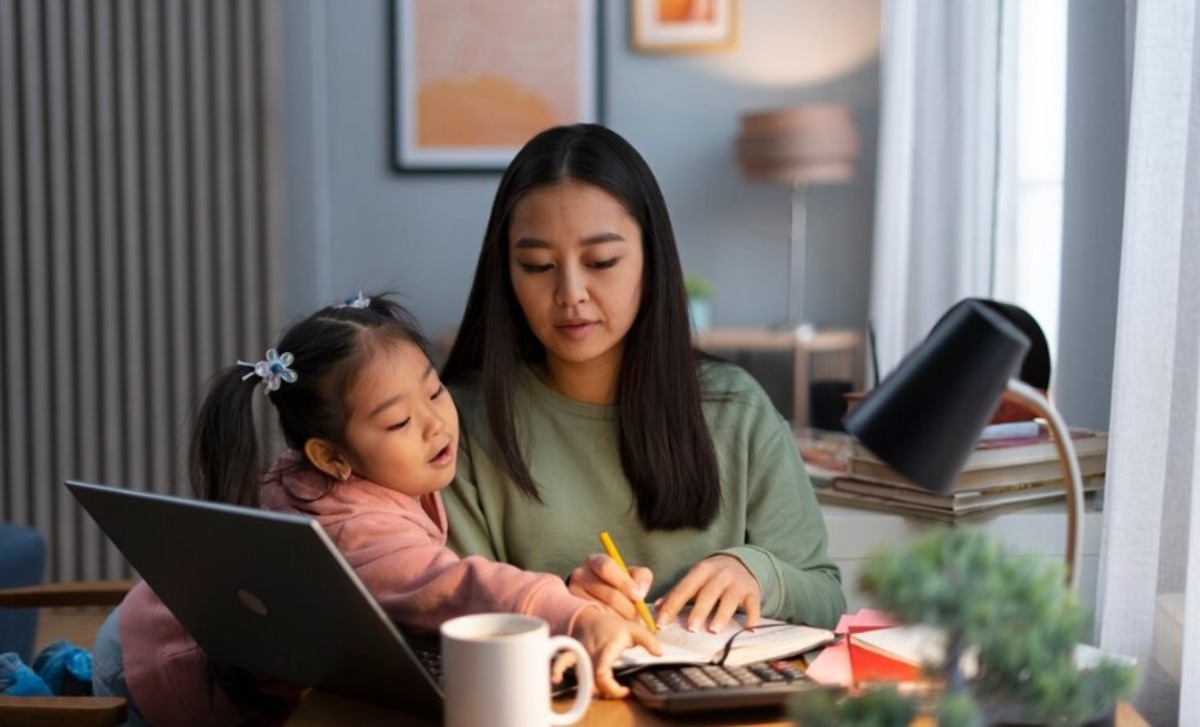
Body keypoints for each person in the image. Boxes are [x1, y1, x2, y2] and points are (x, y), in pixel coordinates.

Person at [91, 292, 658, 726]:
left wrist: (562, 597)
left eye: (435, 392)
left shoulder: (351, 475)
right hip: (156, 670)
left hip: (145, 627)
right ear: (331, 456)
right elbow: (450, 584)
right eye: (399, 422)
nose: (436, 423)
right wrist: (577, 617)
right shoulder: (351, 528)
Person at [440, 124, 847, 638]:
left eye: (602, 261)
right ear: (507, 273)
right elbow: (452, 613)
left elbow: (827, 599)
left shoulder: (736, 409)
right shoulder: (461, 426)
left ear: (652, 263)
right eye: (537, 265)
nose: (570, 293)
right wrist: (561, 605)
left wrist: (760, 573)